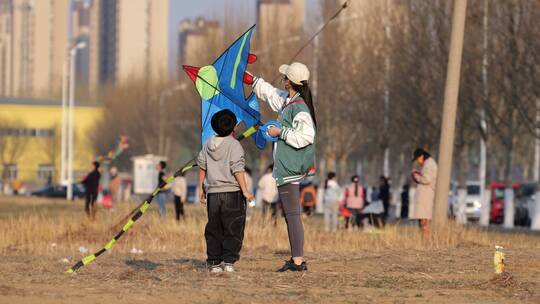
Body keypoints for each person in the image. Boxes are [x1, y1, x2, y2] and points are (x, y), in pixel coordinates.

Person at [251, 62, 316, 272]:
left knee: (292, 215)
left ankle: (297, 262)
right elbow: (272, 95)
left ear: (290, 82)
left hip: (290, 168)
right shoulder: (290, 101)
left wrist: (280, 134)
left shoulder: (299, 108)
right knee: (291, 215)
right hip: (288, 167)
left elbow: (307, 136)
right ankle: (296, 260)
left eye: (284, 77)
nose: (282, 79)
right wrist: (252, 81)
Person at [197, 109, 254, 273]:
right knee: (233, 226)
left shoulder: (208, 143)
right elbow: (237, 169)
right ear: (234, 128)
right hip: (232, 193)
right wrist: (245, 191)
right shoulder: (234, 145)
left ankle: (214, 262)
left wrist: (201, 187)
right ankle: (228, 261)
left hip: (213, 194)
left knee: (214, 227)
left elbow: (202, 165)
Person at [411, 148, 438, 238]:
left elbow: (426, 179)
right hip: (425, 196)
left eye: (417, 159)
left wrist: (416, 176)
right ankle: (424, 239)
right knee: (423, 220)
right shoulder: (428, 163)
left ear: (422, 156)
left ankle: (425, 240)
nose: (418, 162)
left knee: (424, 221)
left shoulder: (428, 164)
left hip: (426, 197)